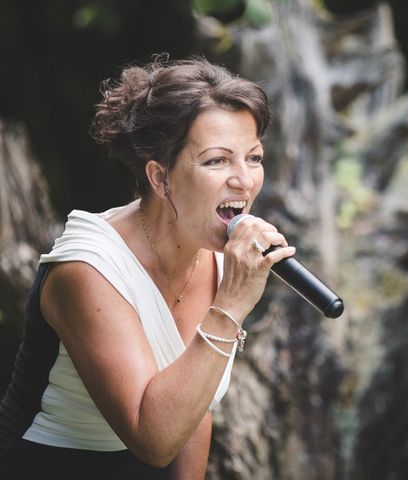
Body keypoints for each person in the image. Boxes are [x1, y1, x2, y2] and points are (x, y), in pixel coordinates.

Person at [0, 56, 295, 479]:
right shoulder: (87, 269)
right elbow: (153, 439)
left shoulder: (212, 250)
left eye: (253, 157)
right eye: (217, 161)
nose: (244, 181)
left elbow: (196, 404)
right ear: (160, 178)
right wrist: (231, 303)